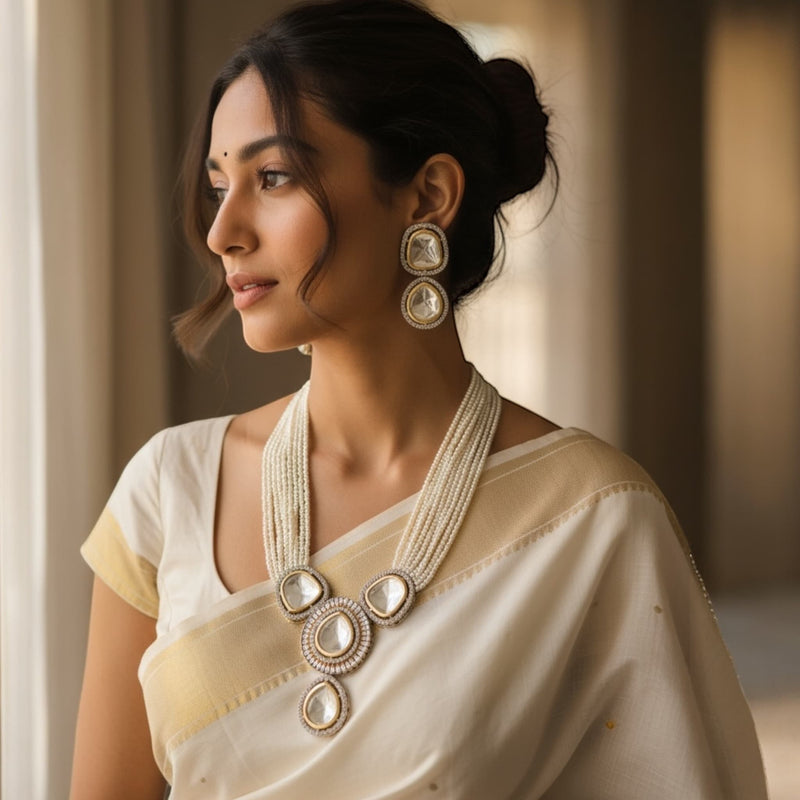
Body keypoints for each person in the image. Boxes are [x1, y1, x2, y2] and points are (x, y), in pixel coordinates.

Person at [70, 1, 767, 798]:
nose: (222, 229)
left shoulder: (594, 519)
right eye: (219, 184)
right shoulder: (169, 491)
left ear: (428, 194)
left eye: (273, 177)